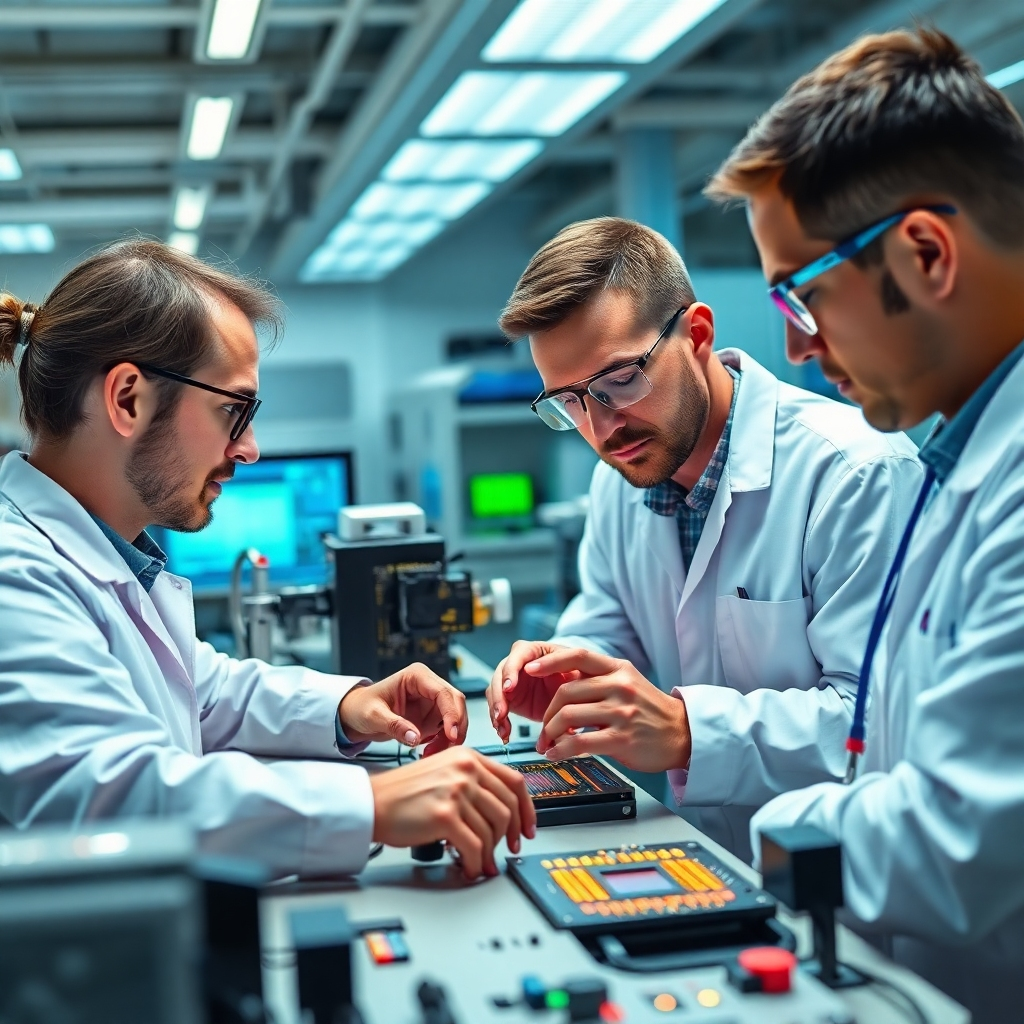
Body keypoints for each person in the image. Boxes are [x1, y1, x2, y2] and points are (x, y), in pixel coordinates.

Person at [0, 239, 534, 881]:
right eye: (234, 410)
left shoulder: (105, 556)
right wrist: (370, 803)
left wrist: (347, 707)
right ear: (127, 399)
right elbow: (112, 794)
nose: (250, 448)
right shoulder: (16, 577)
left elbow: (200, 692)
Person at [705, 26, 1024, 1022]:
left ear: (924, 251)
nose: (797, 347)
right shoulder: (956, 457)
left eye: (801, 294)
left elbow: (962, 834)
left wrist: (742, 844)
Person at [486, 217, 923, 859]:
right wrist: (565, 666)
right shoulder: (621, 477)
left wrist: (689, 731)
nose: (602, 429)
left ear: (696, 335)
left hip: (850, 879)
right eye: (570, 403)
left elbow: (882, 723)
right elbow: (612, 625)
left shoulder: (855, 474)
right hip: (709, 862)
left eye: (620, 380)